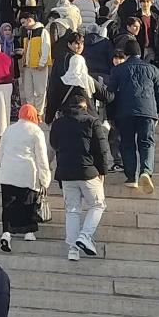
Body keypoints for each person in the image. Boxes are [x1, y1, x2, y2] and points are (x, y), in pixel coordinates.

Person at [50, 92, 110, 261]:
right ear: (85, 107)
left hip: (66, 173)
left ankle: (73, 250)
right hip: (88, 171)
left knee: (72, 211)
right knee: (97, 205)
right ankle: (85, 236)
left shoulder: (58, 123)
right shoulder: (92, 122)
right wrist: (103, 170)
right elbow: (102, 149)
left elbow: (54, 145)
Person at [105, 41, 159, 192]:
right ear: (140, 53)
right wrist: (157, 113)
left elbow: (111, 94)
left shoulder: (118, 70)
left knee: (127, 143)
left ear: (125, 54)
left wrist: (110, 116)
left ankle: (132, 177)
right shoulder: (152, 69)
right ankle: (146, 171)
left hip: (124, 112)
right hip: (147, 112)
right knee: (147, 143)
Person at [0, 104, 50, 253]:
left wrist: (5, 167)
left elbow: (2, 152)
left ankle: (6, 233)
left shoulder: (9, 129)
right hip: (27, 174)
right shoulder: (36, 132)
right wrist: (45, 179)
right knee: (27, 204)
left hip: (8, 174)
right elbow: (41, 158)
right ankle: (28, 232)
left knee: (7, 205)